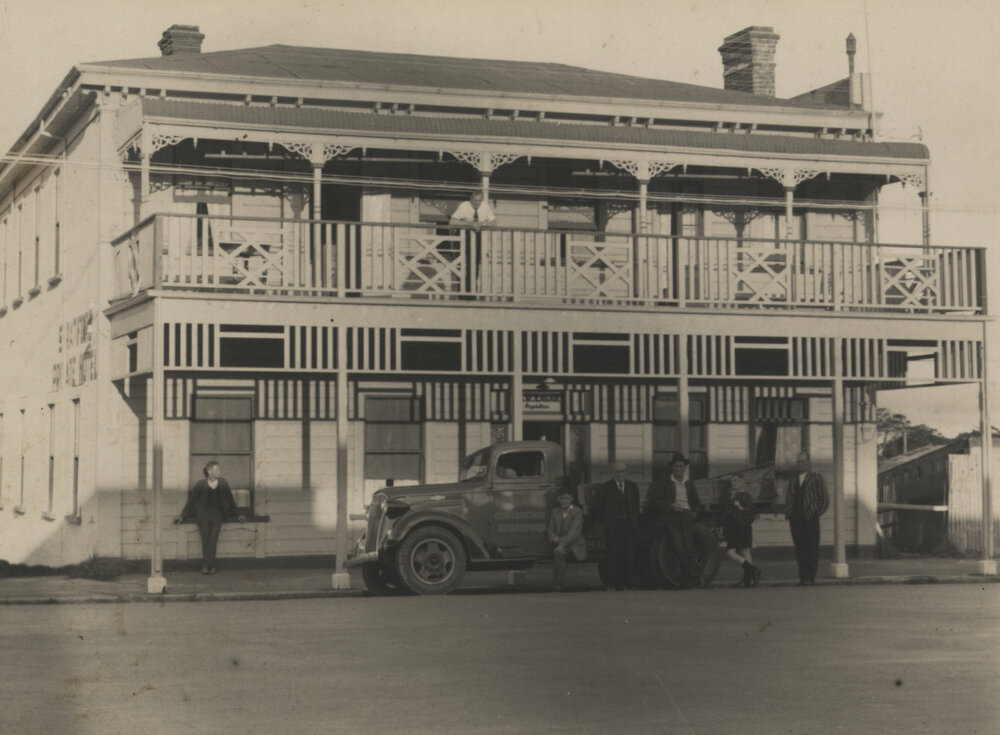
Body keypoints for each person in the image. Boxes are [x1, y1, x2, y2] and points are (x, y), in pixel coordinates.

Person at [174, 461, 245, 574]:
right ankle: (210, 566)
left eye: (218, 470)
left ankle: (207, 565)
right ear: (209, 471)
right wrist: (182, 516)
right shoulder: (200, 484)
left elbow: (231, 500)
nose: (219, 472)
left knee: (213, 539)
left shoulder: (223, 483)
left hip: (217, 515)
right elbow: (191, 502)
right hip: (203, 515)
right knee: (206, 540)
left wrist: (238, 514)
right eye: (216, 470)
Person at [645, 454, 705, 587]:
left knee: (689, 547)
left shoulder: (689, 483)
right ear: (672, 468)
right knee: (678, 547)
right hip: (672, 517)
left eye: (681, 466)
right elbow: (655, 501)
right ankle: (694, 575)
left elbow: (697, 502)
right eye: (676, 466)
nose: (678, 469)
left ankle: (689, 579)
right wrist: (671, 505)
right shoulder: (664, 483)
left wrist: (694, 512)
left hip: (687, 516)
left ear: (685, 468)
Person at [589, 462, 641, 590]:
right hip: (613, 526)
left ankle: (629, 583)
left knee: (629, 555)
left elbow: (635, 506)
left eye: (622, 471)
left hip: (628, 525)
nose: (620, 474)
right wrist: (607, 523)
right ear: (613, 473)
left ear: (626, 472)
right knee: (614, 555)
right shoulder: (606, 487)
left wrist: (633, 522)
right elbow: (598, 507)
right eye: (617, 471)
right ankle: (615, 584)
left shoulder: (632, 486)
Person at [784, 451, 829, 586]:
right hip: (795, 518)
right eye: (798, 462)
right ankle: (802, 578)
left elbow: (824, 499)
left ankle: (810, 578)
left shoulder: (816, 478)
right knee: (799, 548)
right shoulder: (793, 479)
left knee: (811, 548)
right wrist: (789, 512)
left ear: (808, 463)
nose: (800, 464)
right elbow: (789, 497)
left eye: (803, 461)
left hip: (810, 518)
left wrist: (815, 513)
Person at [449, 190, 495, 295]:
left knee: (475, 265)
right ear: (470, 199)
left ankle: (472, 293)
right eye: (474, 200)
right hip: (465, 237)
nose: (477, 203)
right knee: (463, 265)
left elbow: (494, 222)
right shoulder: (464, 206)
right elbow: (452, 221)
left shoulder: (485, 206)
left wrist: (481, 223)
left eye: (479, 200)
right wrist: (470, 224)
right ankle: (462, 293)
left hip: (479, 238)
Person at [723, 474, 761, 588]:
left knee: (734, 552)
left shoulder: (745, 495)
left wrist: (740, 507)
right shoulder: (730, 496)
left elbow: (752, 512)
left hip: (742, 527)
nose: (735, 483)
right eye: (733, 480)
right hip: (732, 528)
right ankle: (751, 574)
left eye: (738, 481)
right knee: (741, 552)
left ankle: (749, 577)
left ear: (743, 482)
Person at [547, 488, 587, 591]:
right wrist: (555, 539)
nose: (564, 501)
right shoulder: (555, 511)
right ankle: (558, 584)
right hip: (559, 542)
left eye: (567, 498)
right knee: (559, 553)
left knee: (559, 551)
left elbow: (574, 533)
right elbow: (550, 529)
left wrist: (561, 544)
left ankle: (557, 583)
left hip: (574, 544)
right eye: (562, 499)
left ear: (571, 499)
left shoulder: (577, 511)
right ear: (558, 499)